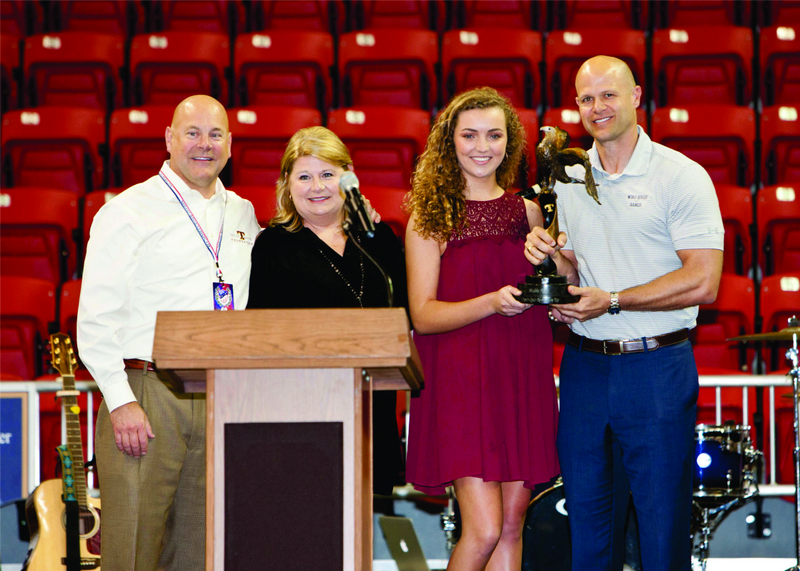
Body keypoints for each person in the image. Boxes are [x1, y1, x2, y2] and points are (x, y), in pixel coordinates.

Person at [524, 56, 724, 570]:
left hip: (655, 367)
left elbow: (703, 280)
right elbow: (576, 275)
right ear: (576, 107)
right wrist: (553, 263)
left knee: (661, 535)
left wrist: (611, 299)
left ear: (636, 96)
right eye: (587, 99)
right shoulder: (566, 177)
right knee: (588, 535)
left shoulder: (681, 176)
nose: (598, 107)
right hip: (585, 368)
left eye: (609, 95)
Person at [77, 95, 261, 570]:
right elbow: (96, 318)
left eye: (216, 134)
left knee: (200, 552)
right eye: (192, 132)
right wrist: (120, 401)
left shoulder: (242, 214)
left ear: (231, 144)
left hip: (219, 394)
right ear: (169, 139)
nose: (204, 144)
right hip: (147, 393)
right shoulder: (128, 210)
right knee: (132, 552)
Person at [405, 87, 560, 570]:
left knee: (512, 527)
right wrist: (491, 303)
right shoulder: (429, 217)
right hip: (460, 379)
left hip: (520, 371)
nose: (481, 146)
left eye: (494, 135)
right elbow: (423, 315)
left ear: (509, 142)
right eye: (469, 135)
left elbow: (551, 291)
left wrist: (556, 270)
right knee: (485, 528)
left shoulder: (530, 212)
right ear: (449, 142)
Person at [246, 126, 406, 494]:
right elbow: (260, 334)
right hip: (302, 415)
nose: (316, 186)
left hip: (372, 412)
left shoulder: (378, 238)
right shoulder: (273, 246)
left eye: (327, 175)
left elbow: (405, 317)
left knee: (363, 536)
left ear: (348, 178)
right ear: (287, 184)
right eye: (304, 176)